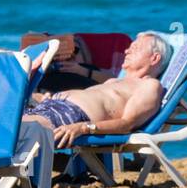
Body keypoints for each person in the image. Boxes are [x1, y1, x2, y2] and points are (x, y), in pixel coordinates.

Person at [23, 31, 170, 146]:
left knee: (16, 129)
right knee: (7, 115)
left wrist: (84, 128)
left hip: (68, 116)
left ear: (154, 58)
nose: (126, 52)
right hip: (48, 105)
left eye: (135, 48)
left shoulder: (150, 85)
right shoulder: (113, 81)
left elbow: (127, 123)